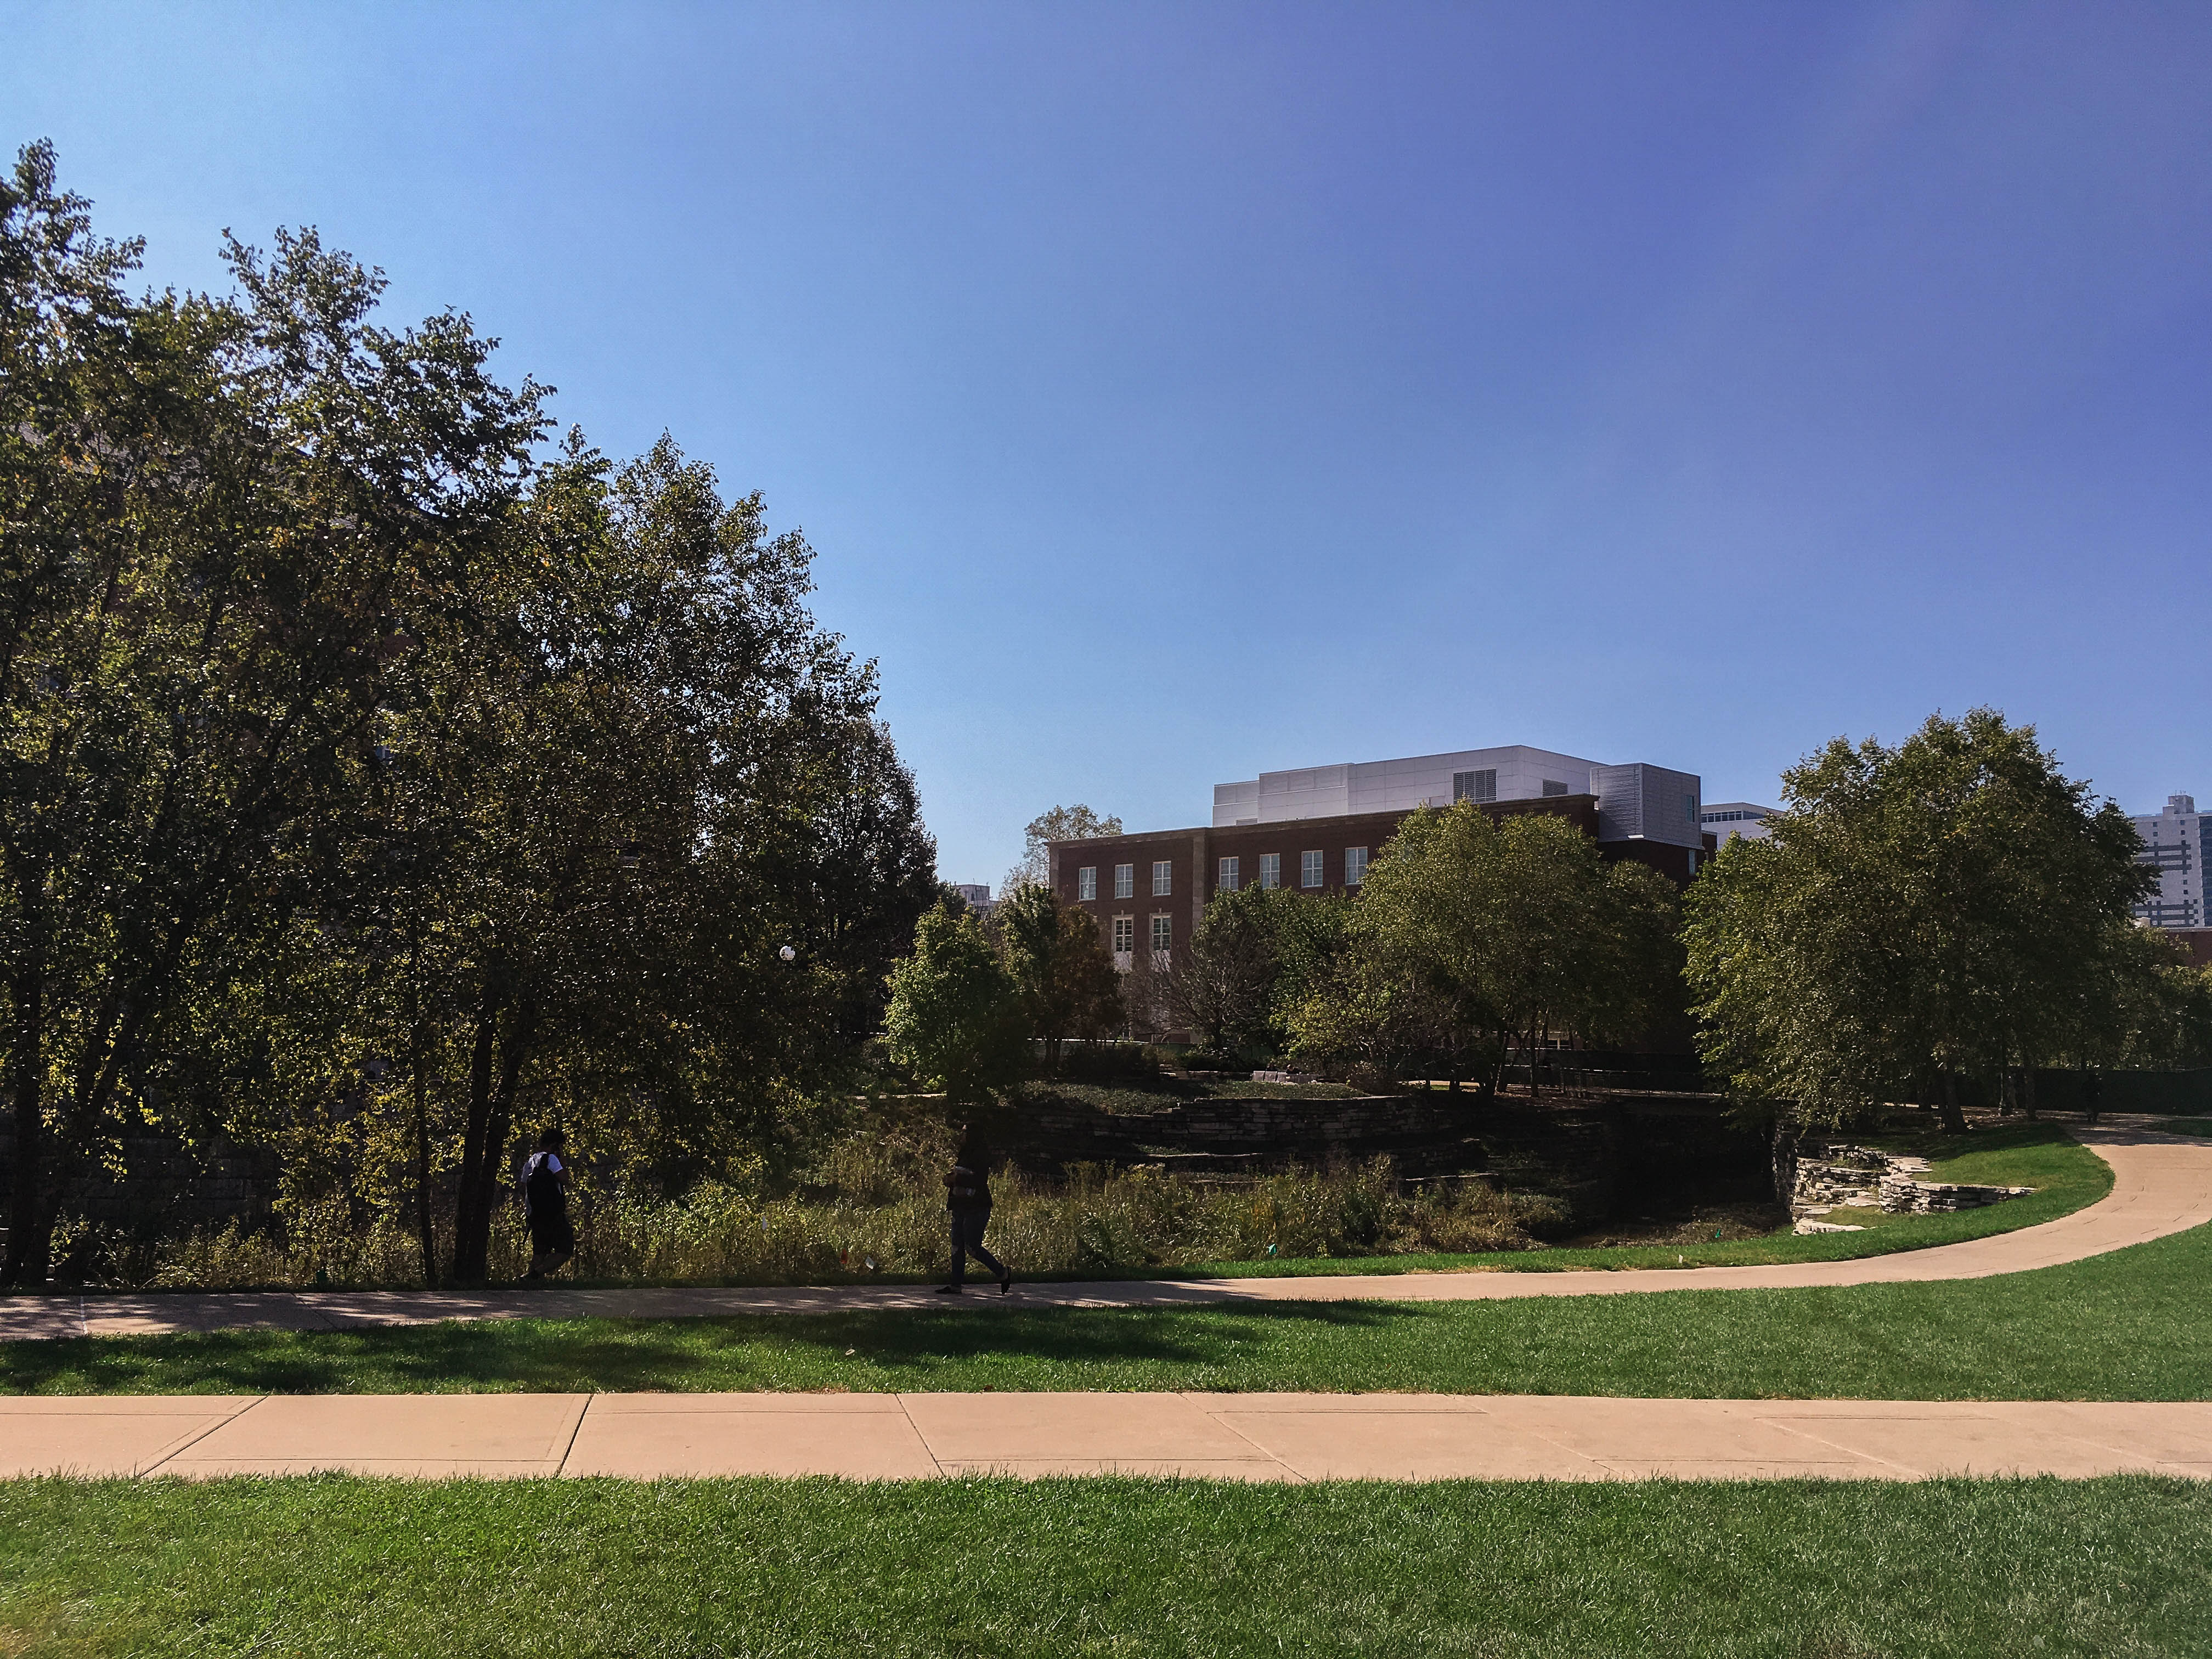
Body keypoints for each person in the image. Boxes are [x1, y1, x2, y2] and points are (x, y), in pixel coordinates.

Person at [938, 1130, 1011, 1295]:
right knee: (957, 1246)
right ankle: (956, 1284)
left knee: (972, 1247)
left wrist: (957, 1179)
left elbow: (979, 1181)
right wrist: (950, 1180)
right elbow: (960, 1176)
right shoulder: (963, 1154)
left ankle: (1002, 1272)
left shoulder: (981, 1156)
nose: (961, 1135)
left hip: (977, 1207)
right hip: (959, 1206)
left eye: (965, 1132)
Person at [521, 1126, 575, 1280]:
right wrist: (563, 1164)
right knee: (565, 1249)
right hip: (553, 1214)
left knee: (540, 1252)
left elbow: (522, 1188)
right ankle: (534, 1275)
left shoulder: (531, 1162)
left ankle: (528, 1284)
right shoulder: (551, 1159)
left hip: (535, 1213)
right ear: (554, 1146)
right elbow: (565, 1179)